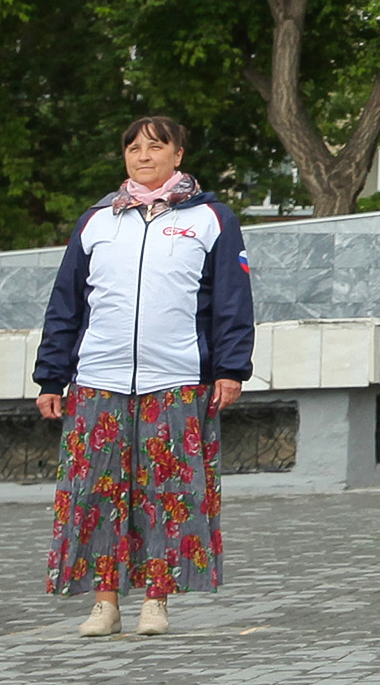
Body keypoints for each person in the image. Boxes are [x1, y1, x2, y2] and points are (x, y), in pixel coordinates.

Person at [31, 116, 256, 637]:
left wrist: (230, 369)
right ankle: (104, 602)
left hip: (176, 380)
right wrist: (51, 377)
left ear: (178, 155)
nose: (143, 155)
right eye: (133, 147)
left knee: (168, 491)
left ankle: (156, 600)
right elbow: (65, 305)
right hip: (98, 380)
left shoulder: (211, 219)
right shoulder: (97, 221)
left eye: (156, 147)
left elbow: (232, 300)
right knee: (95, 491)